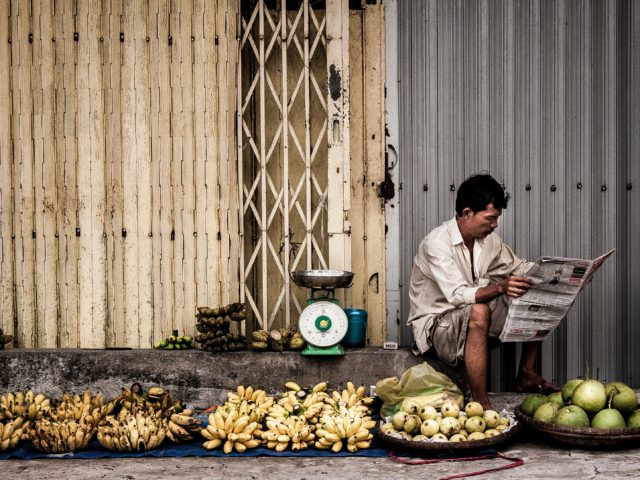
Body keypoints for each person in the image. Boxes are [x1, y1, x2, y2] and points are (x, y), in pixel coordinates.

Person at [407, 173, 559, 409]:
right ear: (467, 213)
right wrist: (500, 286)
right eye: (490, 218)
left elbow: (520, 268)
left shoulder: (490, 241)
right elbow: (458, 295)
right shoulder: (436, 243)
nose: (495, 224)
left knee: (532, 292)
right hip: (436, 329)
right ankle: (481, 403)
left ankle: (527, 373)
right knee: (479, 310)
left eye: (497, 218)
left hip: (469, 319)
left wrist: (560, 275)